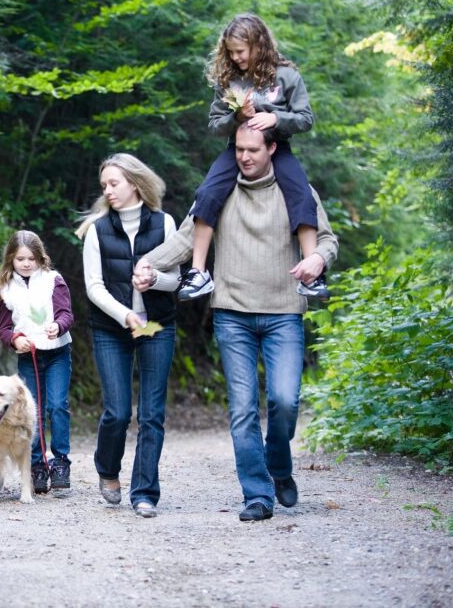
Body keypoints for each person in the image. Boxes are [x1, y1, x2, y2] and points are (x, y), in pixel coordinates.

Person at [135, 124, 338, 521]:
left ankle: (278, 465)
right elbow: (184, 239)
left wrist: (318, 259)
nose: (245, 157)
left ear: (272, 148)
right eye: (239, 149)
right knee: (243, 409)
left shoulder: (297, 191)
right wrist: (148, 263)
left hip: (284, 312)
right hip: (232, 315)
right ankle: (258, 495)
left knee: (284, 401)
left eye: (253, 150)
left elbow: (327, 240)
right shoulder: (220, 190)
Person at [172, 13, 328, 301]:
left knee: (302, 195)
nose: (236, 57)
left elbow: (305, 119)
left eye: (240, 51)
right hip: (236, 149)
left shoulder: (287, 76)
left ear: (258, 45)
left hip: (276, 148)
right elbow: (215, 124)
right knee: (206, 194)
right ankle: (197, 272)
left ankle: (312, 274)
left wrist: (274, 119)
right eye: (230, 52)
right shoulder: (229, 79)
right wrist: (236, 117)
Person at [75, 154, 181, 518]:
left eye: (113, 183)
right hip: (111, 329)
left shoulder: (165, 223)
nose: (107, 190)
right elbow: (93, 287)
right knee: (117, 412)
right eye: (104, 185)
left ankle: (145, 493)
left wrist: (155, 281)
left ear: (134, 183)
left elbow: (176, 280)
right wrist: (125, 315)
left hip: (158, 326)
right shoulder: (97, 229)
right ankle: (107, 469)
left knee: (152, 414)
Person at [0, 230, 74, 494]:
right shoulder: (6, 288)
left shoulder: (54, 280)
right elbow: (4, 328)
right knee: (33, 412)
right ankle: (37, 465)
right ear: (12, 260)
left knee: (57, 405)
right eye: (20, 259)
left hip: (56, 353)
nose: (26, 264)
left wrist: (57, 325)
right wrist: (15, 339)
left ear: (41, 259)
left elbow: (66, 314)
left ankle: (61, 463)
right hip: (28, 357)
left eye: (31, 258)